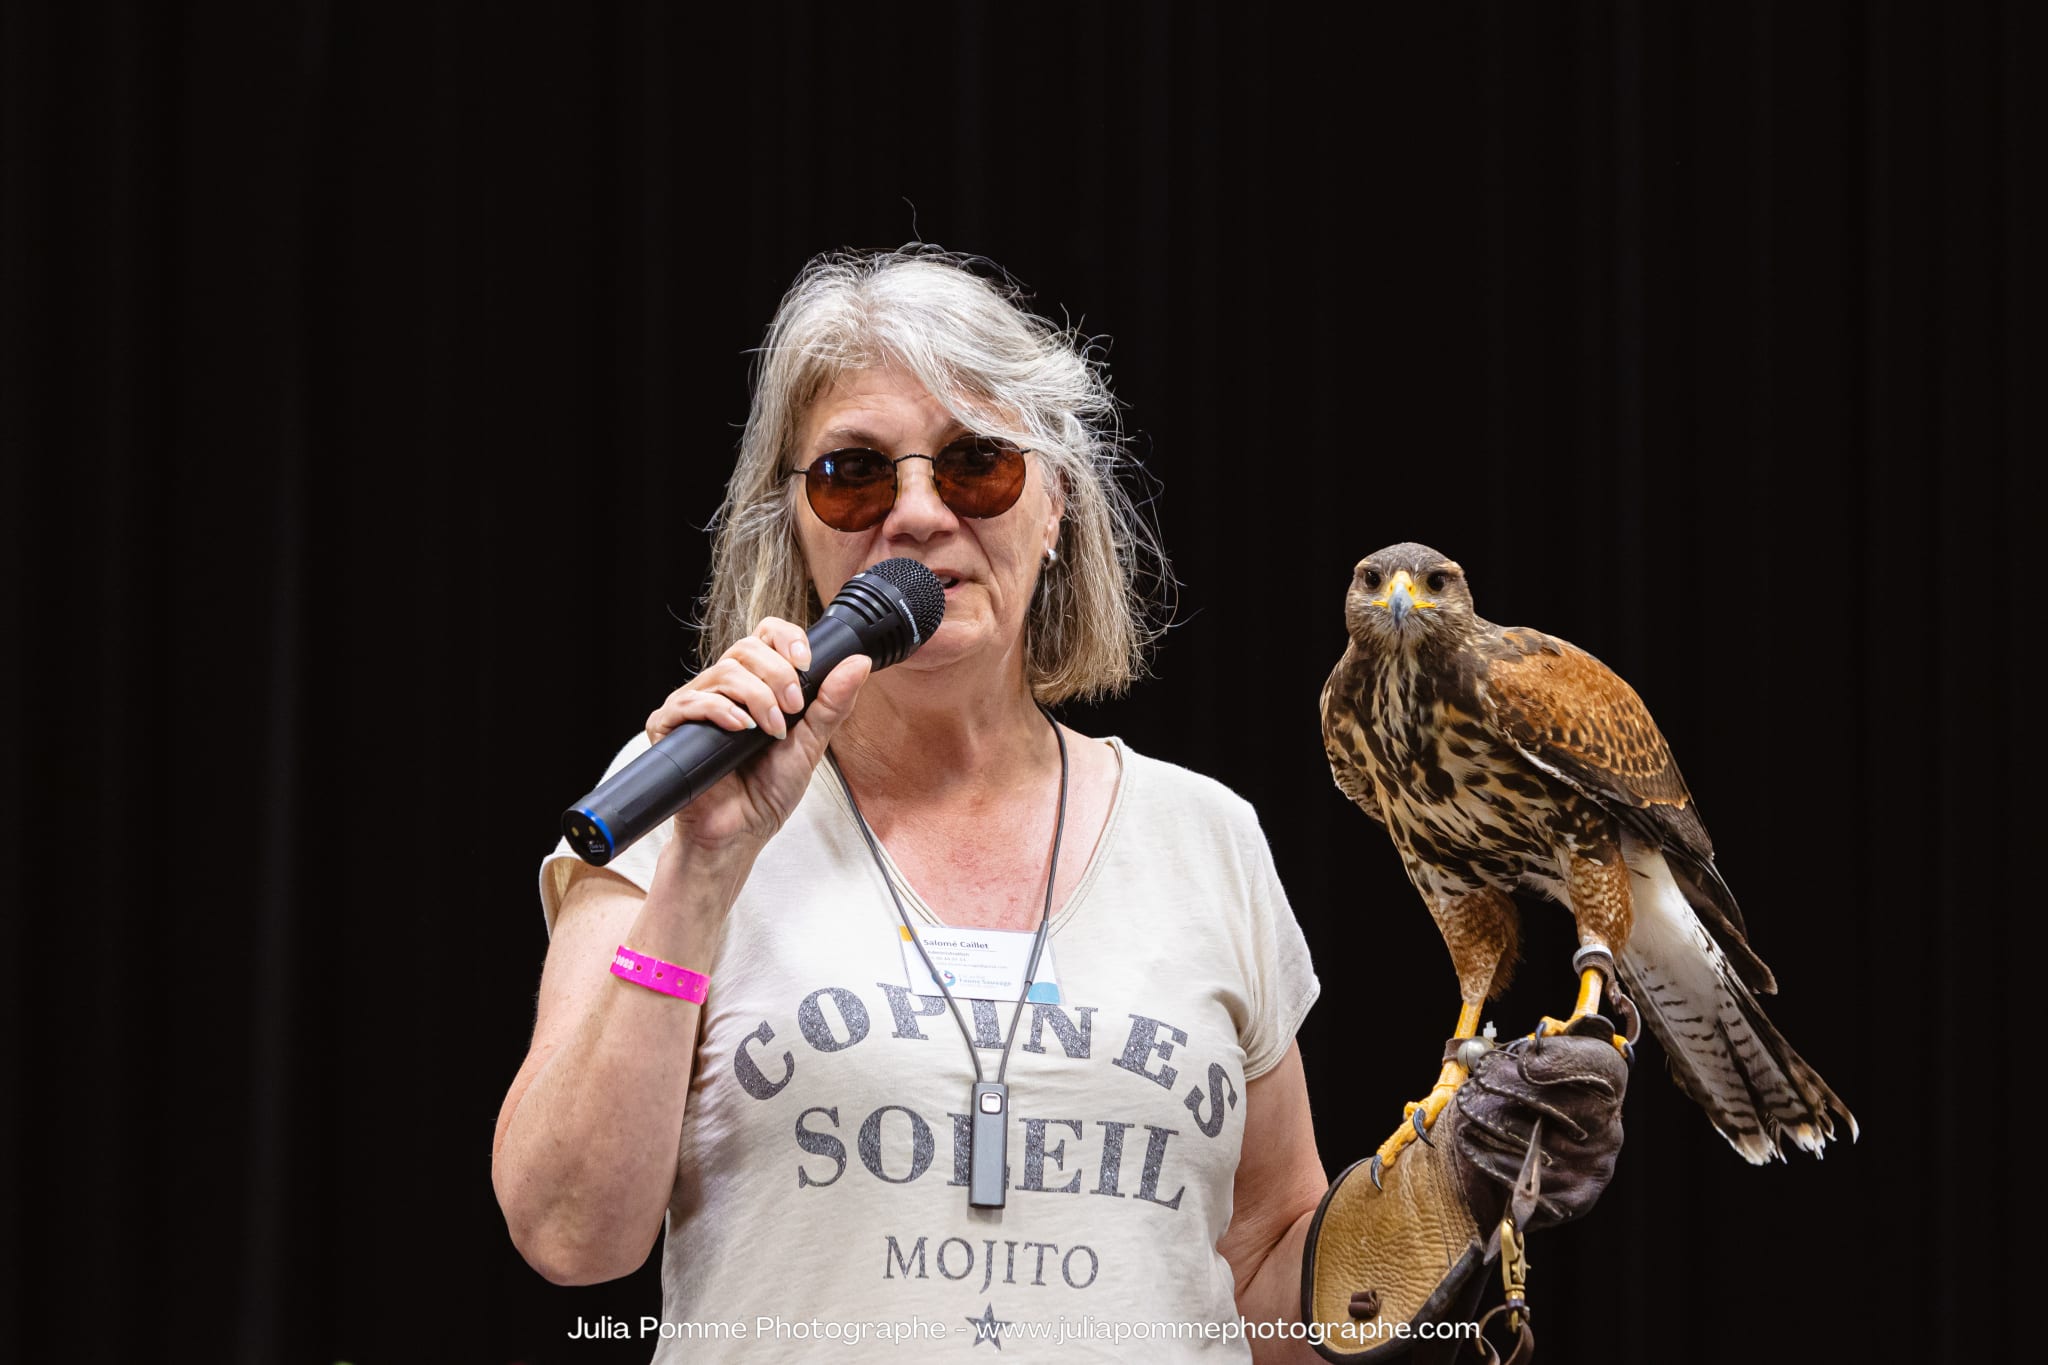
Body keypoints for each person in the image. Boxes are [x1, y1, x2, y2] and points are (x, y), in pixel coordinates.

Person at [492, 247, 1626, 1363]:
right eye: (855, 475)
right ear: (793, 522)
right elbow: (569, 1236)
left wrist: (1452, 1188)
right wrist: (699, 875)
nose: (918, 516)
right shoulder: (676, 801)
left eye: (977, 465)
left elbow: (1259, 1289)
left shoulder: (1203, 838)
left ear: (1056, 508)